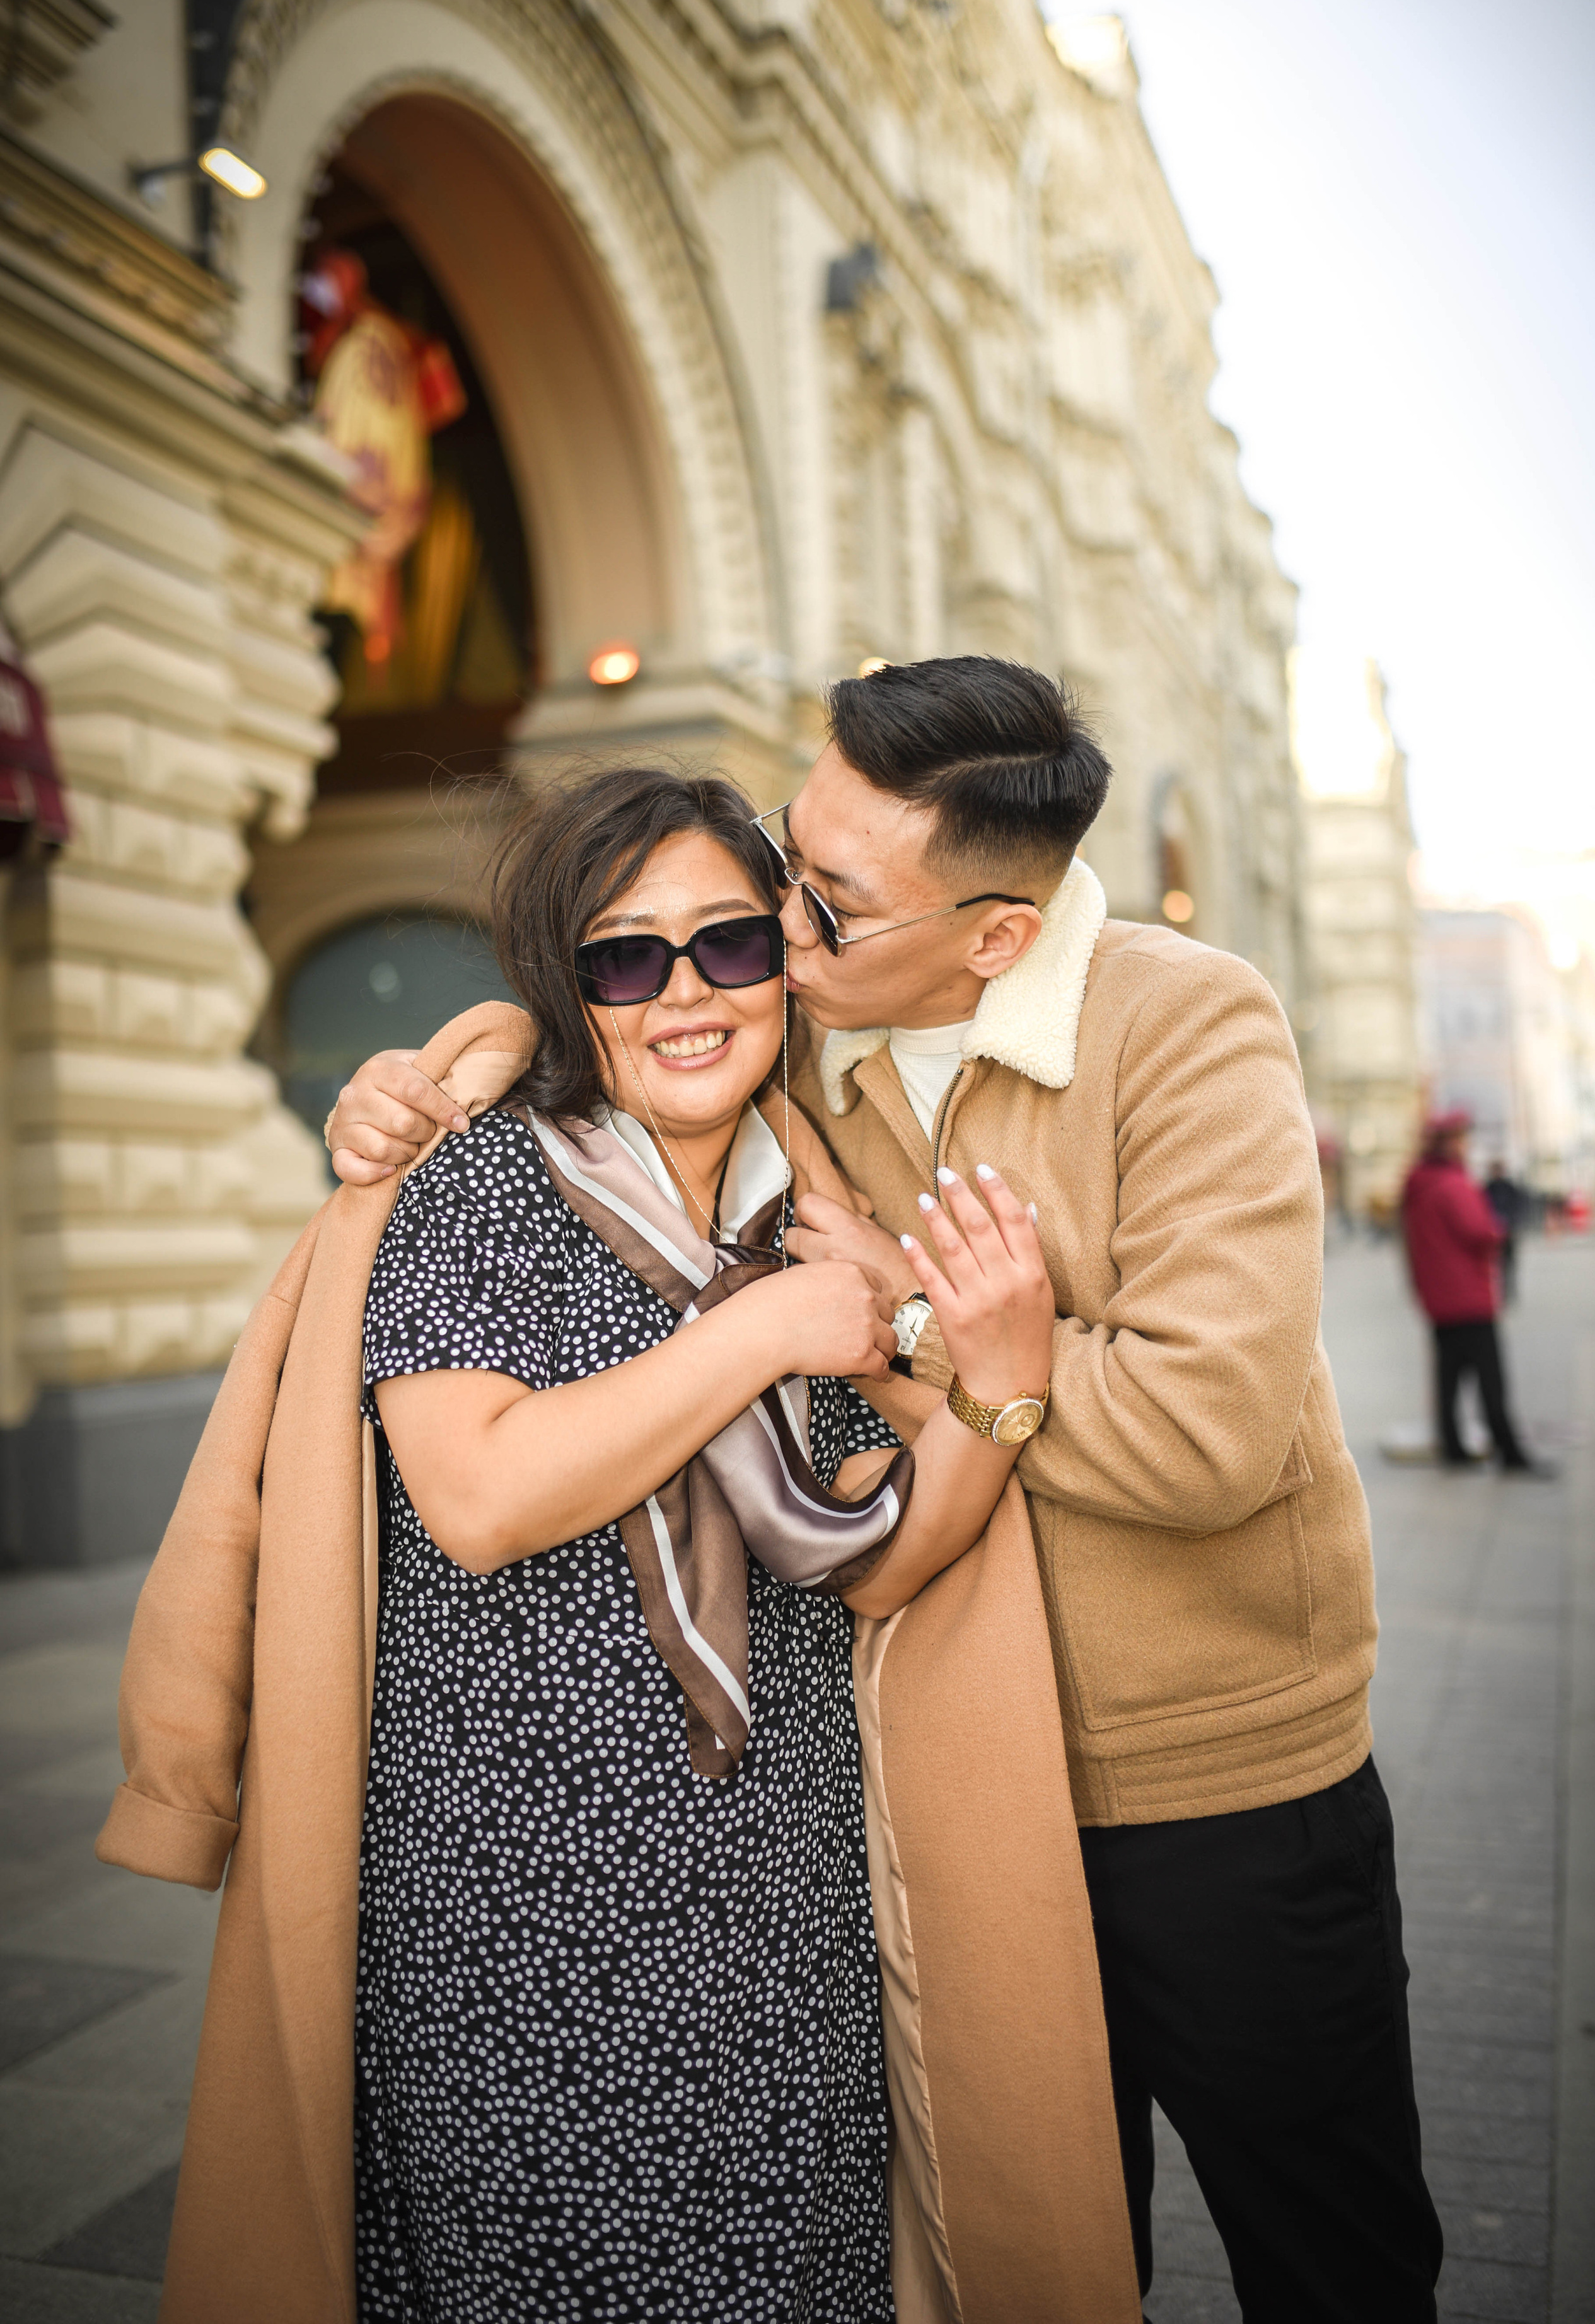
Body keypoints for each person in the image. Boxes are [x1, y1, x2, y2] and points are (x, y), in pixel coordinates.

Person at [330, 656, 1444, 2324]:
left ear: (991, 935)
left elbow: (1207, 1430)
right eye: (790, 851)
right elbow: (635, 1010)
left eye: (824, 905)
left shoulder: (1186, 1024)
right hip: (946, 1779)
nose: (774, 926)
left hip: (1210, 1784)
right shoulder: (815, 1050)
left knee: (1326, 2242)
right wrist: (469, 1049)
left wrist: (920, 1334)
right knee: (1047, 2243)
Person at [98, 763, 1144, 2324]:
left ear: (783, 957)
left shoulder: (813, 1202)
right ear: (566, 984)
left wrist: (993, 1401)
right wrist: (763, 1333)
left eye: (724, 943)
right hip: (514, 1904)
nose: (680, 995)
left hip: (776, 1901)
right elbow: (483, 1493)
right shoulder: (477, 1186)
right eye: (621, 956)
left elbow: (874, 1557)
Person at [1402, 1114, 1546, 1476]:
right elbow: (1480, 1232)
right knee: (1490, 1379)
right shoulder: (1453, 1184)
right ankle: (1509, 1452)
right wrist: (1499, 1228)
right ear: (1449, 1144)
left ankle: (1453, 1449)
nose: (1467, 1147)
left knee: (1448, 1379)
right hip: (1469, 1298)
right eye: (1462, 1140)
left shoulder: (1418, 1185)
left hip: (1438, 1300)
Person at [1483, 1157, 1528, 1302]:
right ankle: (1499, 1292)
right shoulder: (1487, 1188)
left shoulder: (1510, 1188)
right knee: (1496, 1264)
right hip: (1492, 1232)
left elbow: (1517, 1206)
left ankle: (1510, 1290)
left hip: (1508, 1231)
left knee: (1510, 1263)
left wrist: (1512, 1223)